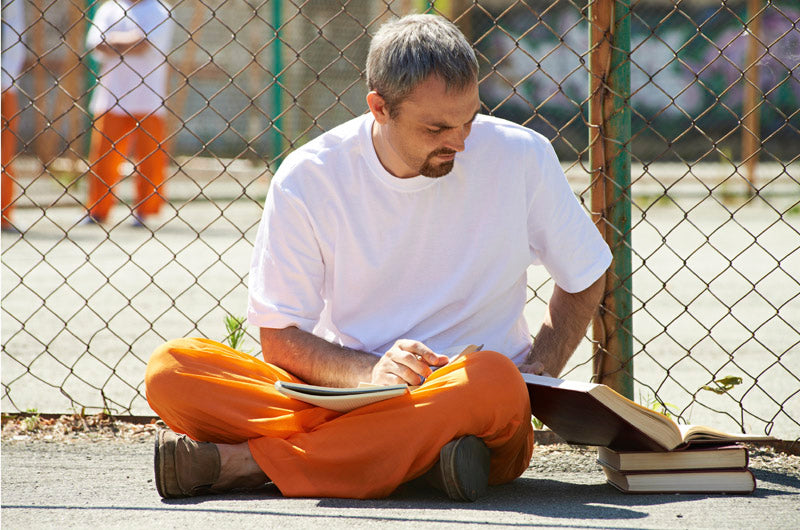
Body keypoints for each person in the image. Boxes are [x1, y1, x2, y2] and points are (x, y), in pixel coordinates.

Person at [145, 14, 611, 501]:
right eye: (436, 127)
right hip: (347, 396)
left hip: (470, 402)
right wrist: (371, 373)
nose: (460, 141)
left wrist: (537, 369)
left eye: (470, 119)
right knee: (172, 368)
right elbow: (279, 337)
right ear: (379, 107)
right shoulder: (309, 178)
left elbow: (585, 272)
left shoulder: (522, 156)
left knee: (494, 380)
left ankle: (248, 463)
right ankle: (417, 460)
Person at [82, 0, 174, 225]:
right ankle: (98, 210)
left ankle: (145, 210)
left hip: (148, 97)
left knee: (149, 157)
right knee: (103, 156)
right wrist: (133, 40)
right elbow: (95, 43)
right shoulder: (109, 8)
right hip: (111, 95)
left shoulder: (160, 10)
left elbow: (146, 44)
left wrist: (113, 41)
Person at [2, 0, 26, 232]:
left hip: (2, 84)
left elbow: (13, 33)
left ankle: (2, 213)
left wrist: (5, 81)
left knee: (3, 153)